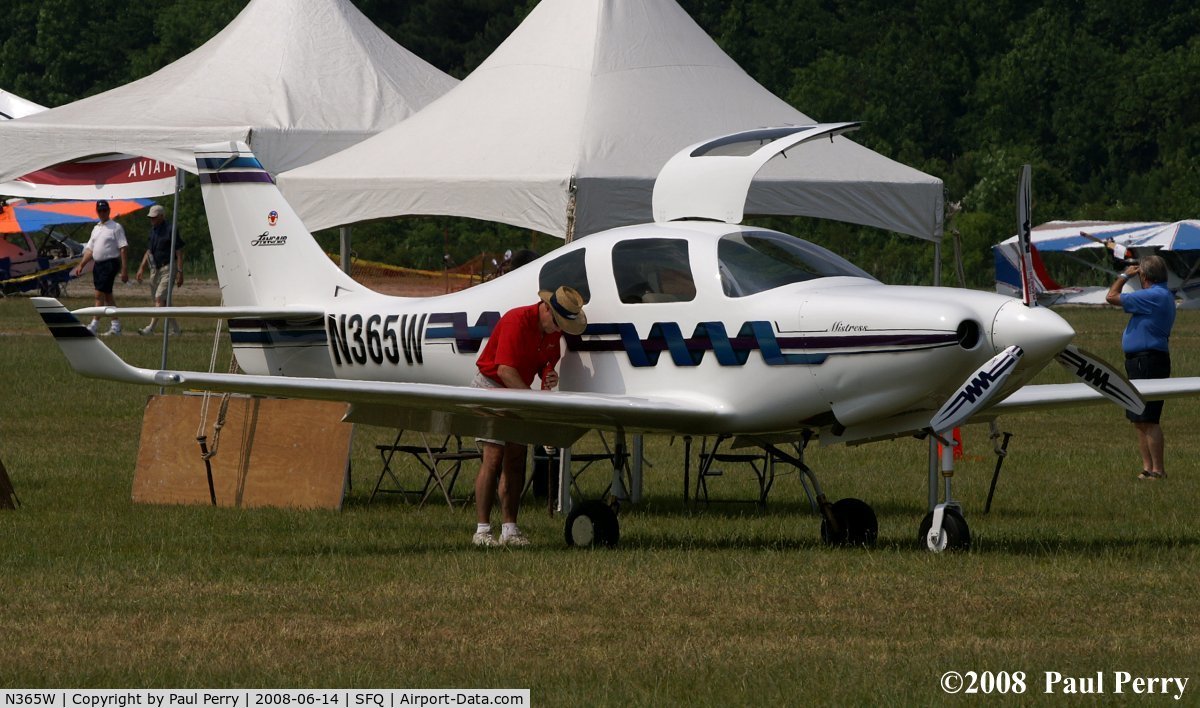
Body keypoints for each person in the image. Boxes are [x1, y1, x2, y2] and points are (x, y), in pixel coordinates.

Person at [470, 286, 587, 547]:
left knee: (516, 456)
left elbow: (546, 366)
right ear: (546, 309)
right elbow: (504, 370)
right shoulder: (516, 321)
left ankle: (509, 529)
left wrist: (549, 376)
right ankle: (482, 531)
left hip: (518, 388)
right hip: (492, 384)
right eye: (558, 323)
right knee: (494, 455)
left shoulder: (552, 333)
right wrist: (532, 403)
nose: (559, 331)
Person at [1105, 254, 1175, 480]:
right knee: (1138, 418)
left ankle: (1158, 470)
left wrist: (1125, 275)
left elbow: (1111, 296)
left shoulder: (1154, 295)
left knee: (1149, 418)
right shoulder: (1159, 295)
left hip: (1149, 360)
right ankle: (1148, 468)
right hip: (1140, 360)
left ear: (1144, 275)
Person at [73, 200, 129, 336]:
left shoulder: (116, 227)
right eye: (100, 211)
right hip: (98, 265)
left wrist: (124, 269)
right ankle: (116, 326)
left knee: (99, 295)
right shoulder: (96, 228)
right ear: (97, 212)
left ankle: (94, 325)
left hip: (110, 263)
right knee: (107, 295)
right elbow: (90, 250)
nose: (102, 213)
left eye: (105, 210)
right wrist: (81, 264)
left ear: (109, 211)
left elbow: (123, 248)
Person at [134, 204, 184, 335]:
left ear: (161, 216)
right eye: (151, 218)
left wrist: (180, 271)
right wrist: (141, 268)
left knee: (159, 298)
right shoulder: (153, 231)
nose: (152, 220)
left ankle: (150, 328)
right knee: (164, 302)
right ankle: (176, 330)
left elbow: (178, 251)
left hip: (168, 267)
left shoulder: (170, 229)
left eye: (154, 218)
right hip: (154, 269)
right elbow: (149, 251)